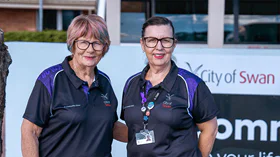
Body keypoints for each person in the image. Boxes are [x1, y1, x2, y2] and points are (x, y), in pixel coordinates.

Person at [21, 14, 127, 157]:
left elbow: (111, 127)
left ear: (104, 47)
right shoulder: (51, 79)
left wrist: (154, 133)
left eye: (97, 43)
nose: (90, 49)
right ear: (72, 44)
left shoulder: (104, 81)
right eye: (83, 42)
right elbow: (30, 131)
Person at [121, 16, 219, 157]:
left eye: (166, 41)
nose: (159, 47)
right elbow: (133, 128)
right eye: (152, 40)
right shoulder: (131, 84)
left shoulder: (191, 84)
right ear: (142, 44)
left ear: (174, 44)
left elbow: (210, 128)